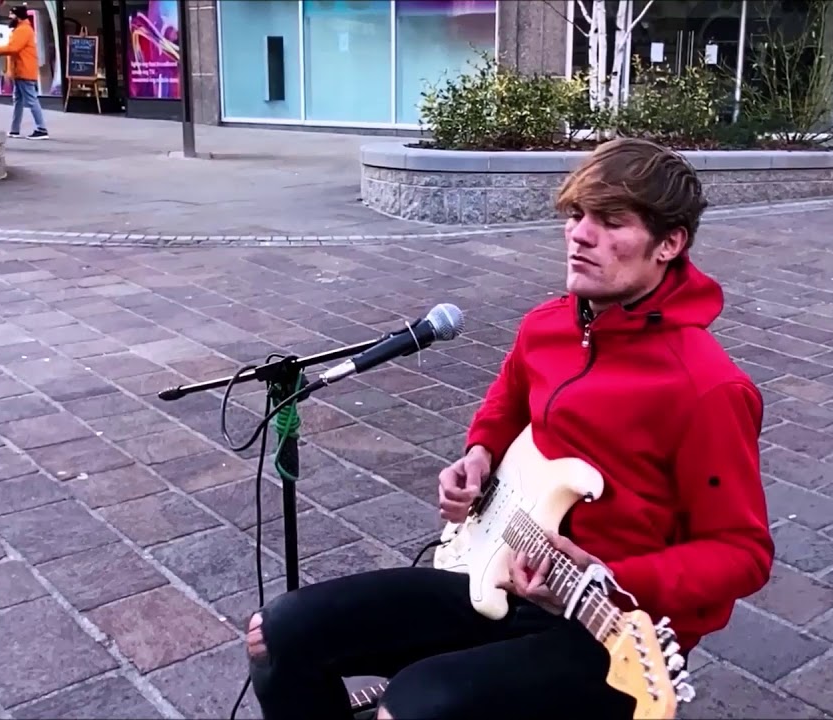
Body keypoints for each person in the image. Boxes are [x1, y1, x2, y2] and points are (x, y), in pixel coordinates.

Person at [244, 138, 774, 720]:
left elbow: (742, 553)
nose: (580, 234)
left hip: (605, 629)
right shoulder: (547, 325)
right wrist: (478, 454)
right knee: (277, 636)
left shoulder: (706, 387)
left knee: (413, 708)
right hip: (500, 565)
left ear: (669, 244)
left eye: (611, 222)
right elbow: (506, 403)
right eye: (576, 216)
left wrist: (607, 574)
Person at [0, 5, 48, 139]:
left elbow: (13, 48)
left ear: (18, 16)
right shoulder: (21, 29)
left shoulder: (23, 30)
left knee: (31, 100)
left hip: (24, 71)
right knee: (18, 100)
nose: (9, 17)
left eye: (11, 15)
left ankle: (41, 129)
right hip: (20, 71)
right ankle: (15, 130)